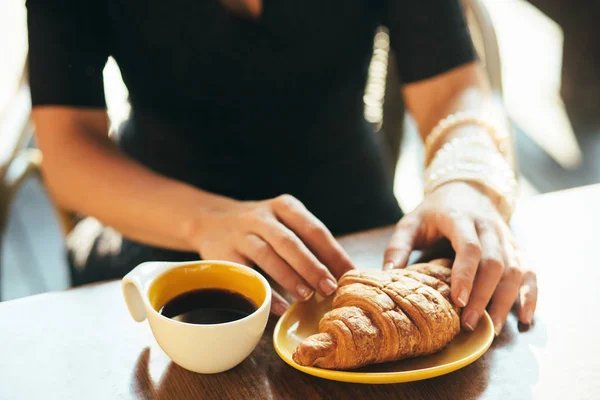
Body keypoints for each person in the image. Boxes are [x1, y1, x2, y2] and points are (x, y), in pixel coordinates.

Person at [26, 0, 537, 335]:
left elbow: (455, 89)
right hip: (163, 231)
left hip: (353, 242)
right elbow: (69, 145)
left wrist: (465, 180)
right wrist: (208, 221)